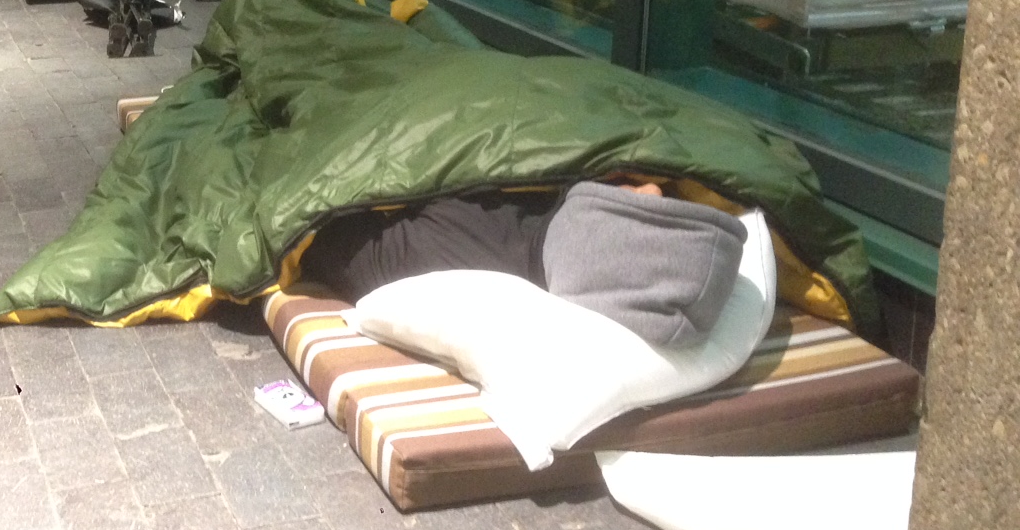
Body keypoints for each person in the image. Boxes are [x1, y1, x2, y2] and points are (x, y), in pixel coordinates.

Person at [301, 177, 749, 347]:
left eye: (655, 206)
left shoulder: (433, 259)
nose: (653, 187)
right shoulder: (570, 178)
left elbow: (318, 224)